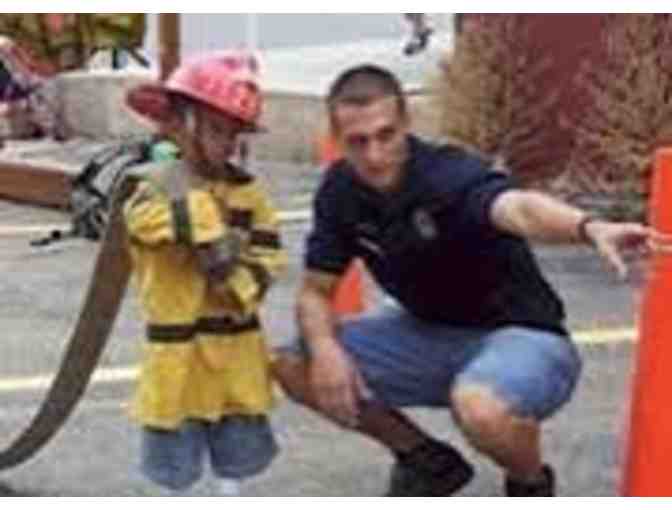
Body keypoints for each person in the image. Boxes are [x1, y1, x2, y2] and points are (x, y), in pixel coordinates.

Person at [271, 64, 655, 496]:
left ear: (406, 124)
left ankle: (530, 484)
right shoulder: (340, 191)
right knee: (294, 363)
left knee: (480, 408)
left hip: (522, 336)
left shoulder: (447, 174)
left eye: (386, 135)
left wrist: (588, 227)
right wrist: (325, 350)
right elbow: (315, 291)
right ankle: (425, 461)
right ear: (337, 138)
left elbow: (518, 209)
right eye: (358, 142)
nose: (375, 155)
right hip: (428, 334)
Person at [123, 50, 287, 496]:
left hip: (238, 354)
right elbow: (140, 221)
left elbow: (269, 255)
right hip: (177, 357)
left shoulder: (249, 193)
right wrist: (203, 223)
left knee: (237, 460)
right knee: (174, 469)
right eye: (216, 130)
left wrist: (238, 282)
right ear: (180, 125)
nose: (228, 144)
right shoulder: (155, 186)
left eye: (234, 133)